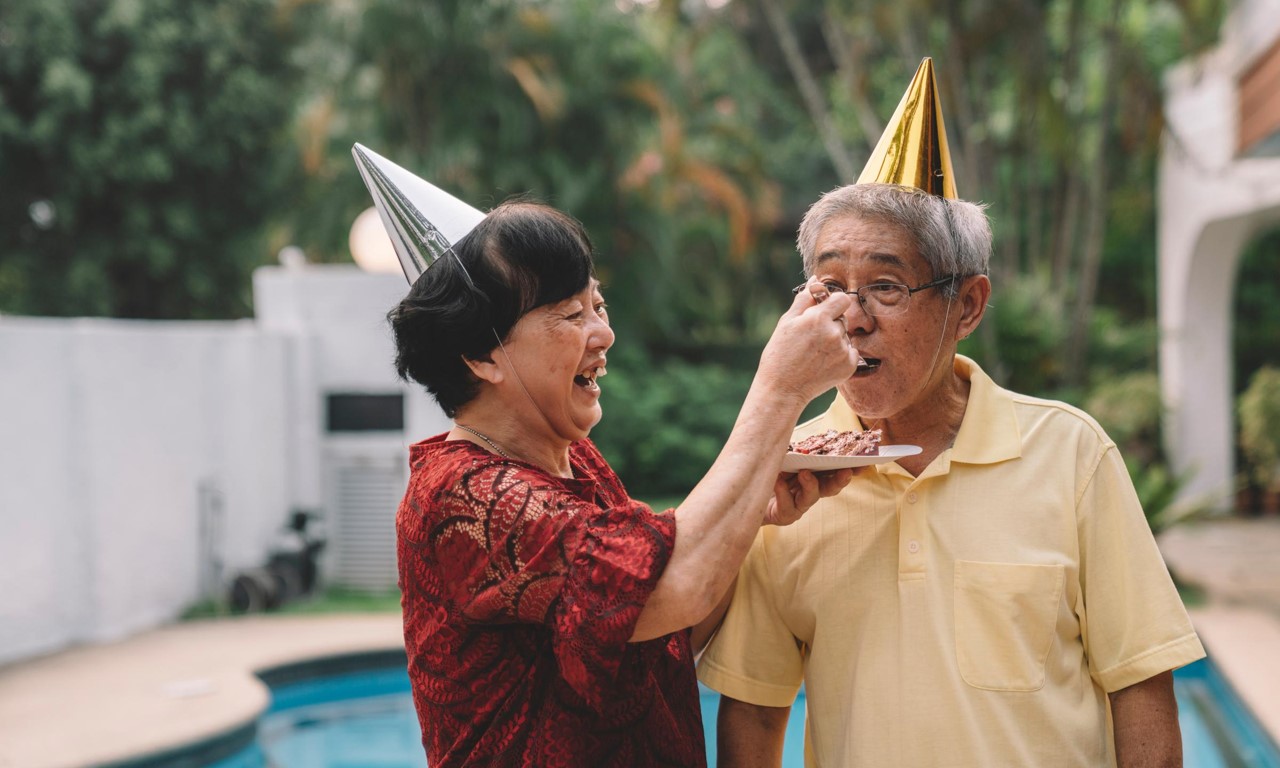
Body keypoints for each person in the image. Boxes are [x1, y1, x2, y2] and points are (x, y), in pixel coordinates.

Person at [696, 59, 1205, 767]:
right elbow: (753, 713)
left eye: (885, 285)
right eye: (829, 286)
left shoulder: (1071, 453)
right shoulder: (788, 479)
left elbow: (1140, 686)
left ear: (966, 305)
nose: (851, 317)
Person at [351, 145, 862, 767]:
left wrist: (755, 510)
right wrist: (780, 390)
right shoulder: (466, 496)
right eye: (570, 314)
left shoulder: (576, 464)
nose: (604, 333)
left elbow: (655, 634)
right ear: (481, 357)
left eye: (598, 305)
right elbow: (670, 587)